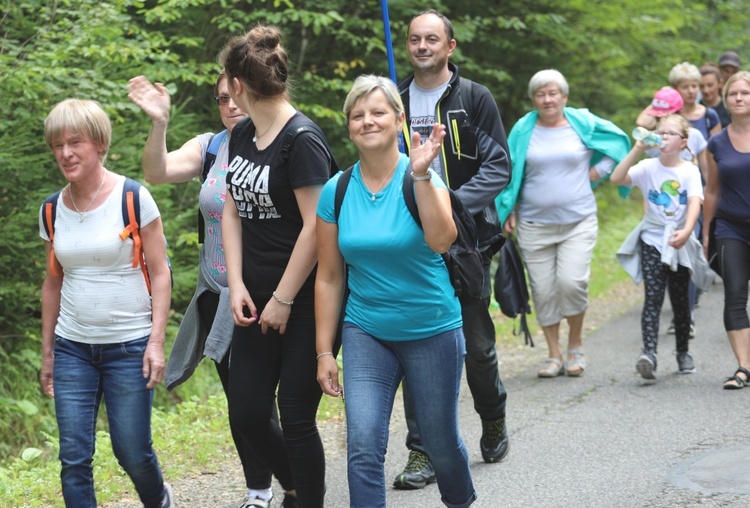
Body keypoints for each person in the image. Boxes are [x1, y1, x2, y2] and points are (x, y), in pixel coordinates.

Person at [315, 74, 476, 508]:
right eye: (358, 115)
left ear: (399, 120)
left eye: (378, 112)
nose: (367, 121)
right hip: (367, 330)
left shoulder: (421, 176)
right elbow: (329, 276)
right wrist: (324, 351)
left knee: (440, 443)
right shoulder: (337, 189)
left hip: (432, 328)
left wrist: (423, 176)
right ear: (348, 124)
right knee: (363, 445)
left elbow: (443, 240)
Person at [127, 73, 281, 508]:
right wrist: (159, 123)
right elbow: (156, 172)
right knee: (240, 398)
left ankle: (296, 482)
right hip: (217, 292)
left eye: (237, 96)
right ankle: (260, 491)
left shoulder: (283, 143)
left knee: (260, 399)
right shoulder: (211, 146)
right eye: (221, 99)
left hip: (267, 292)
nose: (230, 105)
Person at [391, 9, 512, 488]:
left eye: (432, 39)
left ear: (450, 47)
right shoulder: (392, 100)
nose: (423, 46)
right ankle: (421, 451)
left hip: (469, 244)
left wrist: (451, 206)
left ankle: (493, 415)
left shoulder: (473, 98)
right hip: (410, 245)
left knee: (476, 348)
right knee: (419, 346)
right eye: (415, 39)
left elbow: (498, 166)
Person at [219, 24, 336, 508]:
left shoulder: (301, 139)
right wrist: (237, 282)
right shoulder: (244, 131)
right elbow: (231, 206)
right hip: (254, 296)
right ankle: (299, 488)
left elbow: (316, 228)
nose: (226, 96)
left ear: (239, 85)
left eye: (227, 86)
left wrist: (284, 299)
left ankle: (306, 499)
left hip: (306, 299)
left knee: (295, 414)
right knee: (246, 412)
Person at [39, 99, 173, 507]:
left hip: (130, 347)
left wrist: (155, 342)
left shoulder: (132, 197)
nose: (66, 153)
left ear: (99, 144)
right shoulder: (51, 210)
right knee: (74, 459)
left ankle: (159, 500)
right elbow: (52, 282)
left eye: (75, 142)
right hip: (72, 349)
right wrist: (47, 354)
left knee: (131, 452)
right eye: (58, 145)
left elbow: (162, 272)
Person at [495, 69, 631, 378]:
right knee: (542, 291)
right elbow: (510, 170)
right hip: (533, 223)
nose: (547, 99)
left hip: (578, 221)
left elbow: (617, 145)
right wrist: (510, 207)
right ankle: (554, 355)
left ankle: (576, 345)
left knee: (572, 283)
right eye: (541, 94)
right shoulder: (522, 129)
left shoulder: (582, 123)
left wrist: (594, 174)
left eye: (553, 93)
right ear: (533, 100)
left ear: (564, 97)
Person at [611, 114, 710, 380]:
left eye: (670, 134)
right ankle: (649, 354)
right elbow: (617, 178)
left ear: (683, 142)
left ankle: (682, 352)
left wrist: (687, 230)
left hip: (679, 240)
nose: (664, 137)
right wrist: (637, 148)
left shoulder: (689, 170)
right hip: (652, 240)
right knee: (653, 298)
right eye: (661, 132)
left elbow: (694, 203)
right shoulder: (647, 166)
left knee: (680, 300)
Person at [636, 86, 709, 338]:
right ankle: (652, 346)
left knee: (682, 269)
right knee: (657, 284)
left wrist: (698, 213)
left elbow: (702, 173)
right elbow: (645, 181)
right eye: (657, 118)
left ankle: (686, 316)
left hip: (688, 206)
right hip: (657, 217)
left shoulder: (694, 136)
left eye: (663, 115)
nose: (661, 131)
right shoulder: (652, 137)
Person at [703, 71, 750, 389]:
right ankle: (744, 367)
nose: (739, 98)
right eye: (734, 94)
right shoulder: (716, 142)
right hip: (730, 227)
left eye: (745, 93)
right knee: (734, 296)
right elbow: (712, 190)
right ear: (726, 99)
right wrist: (706, 232)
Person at [669, 62, 721, 141]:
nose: (691, 91)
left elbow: (717, 148)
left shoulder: (709, 115)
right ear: (675, 88)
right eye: (685, 87)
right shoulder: (669, 115)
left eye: (694, 86)